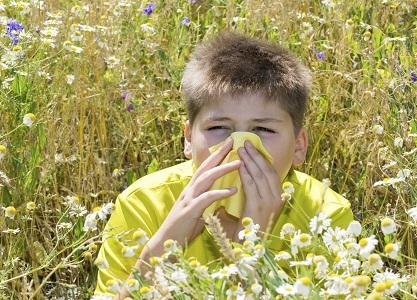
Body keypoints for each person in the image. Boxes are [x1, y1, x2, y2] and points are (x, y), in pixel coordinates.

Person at [93, 30, 353, 297]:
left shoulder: (327, 213)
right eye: (219, 127)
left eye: (263, 129)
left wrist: (254, 243)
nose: (241, 145)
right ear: (188, 139)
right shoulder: (143, 203)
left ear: (298, 146)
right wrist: (166, 244)